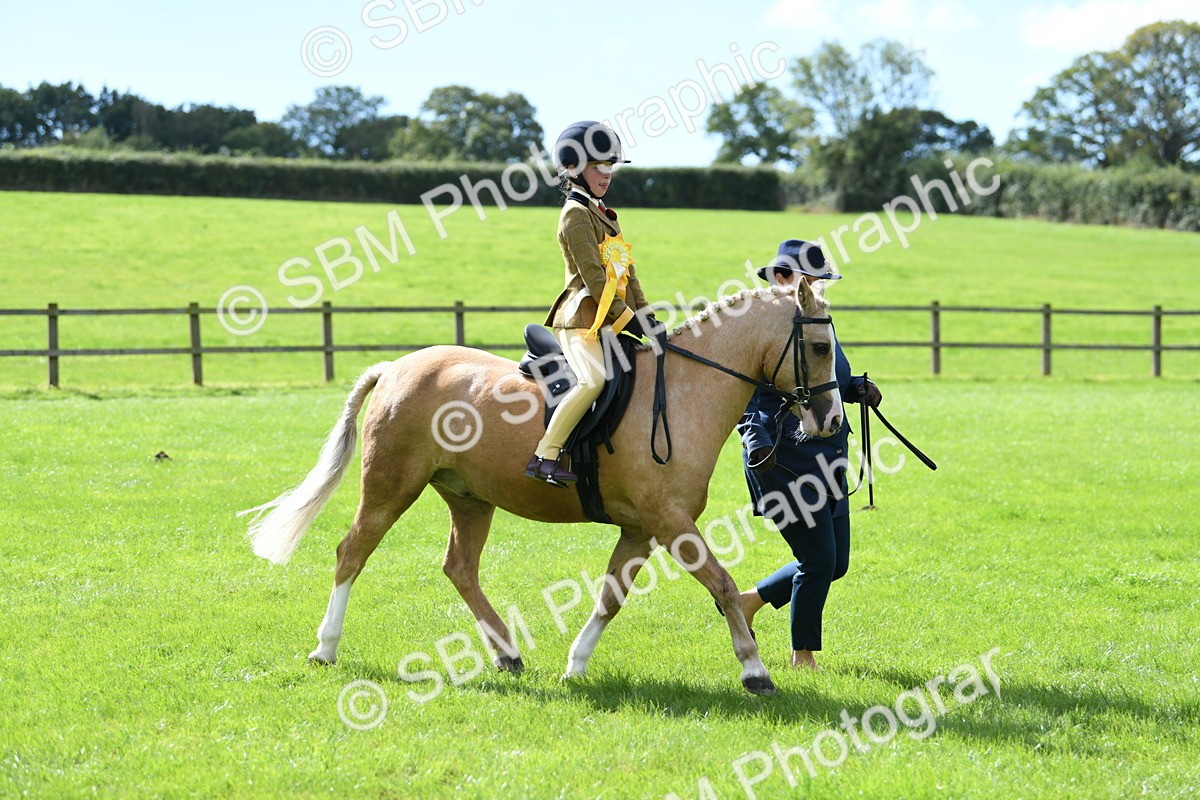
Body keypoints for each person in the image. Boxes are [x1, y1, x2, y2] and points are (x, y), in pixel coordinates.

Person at [733, 239, 882, 670]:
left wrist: (856, 389)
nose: (819, 286)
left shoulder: (815, 323)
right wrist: (755, 437)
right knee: (818, 560)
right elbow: (751, 403)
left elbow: (830, 380)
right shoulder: (766, 333)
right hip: (785, 462)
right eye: (812, 278)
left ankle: (748, 601)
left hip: (828, 457)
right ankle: (803, 656)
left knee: (836, 563)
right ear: (784, 279)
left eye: (822, 279)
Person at [526, 121, 655, 487]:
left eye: (610, 167)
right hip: (581, 322)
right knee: (593, 380)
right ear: (572, 169)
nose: (607, 174)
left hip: (611, 321)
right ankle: (545, 455)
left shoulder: (605, 215)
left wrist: (647, 316)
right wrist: (629, 319)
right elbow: (596, 281)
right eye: (599, 166)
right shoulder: (574, 215)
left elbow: (626, 274)